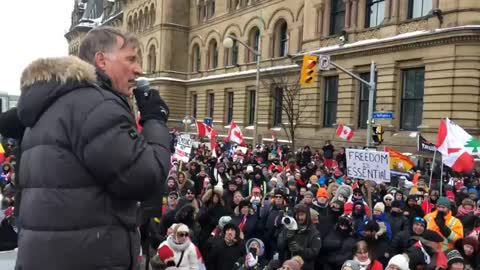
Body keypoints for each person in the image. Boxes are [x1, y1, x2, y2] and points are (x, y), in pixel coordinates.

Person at [15, 27, 171, 270]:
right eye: (131, 59)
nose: (139, 69)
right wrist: (155, 120)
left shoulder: (56, 104)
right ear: (102, 60)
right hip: (89, 258)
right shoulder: (96, 105)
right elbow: (147, 177)